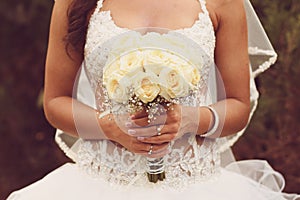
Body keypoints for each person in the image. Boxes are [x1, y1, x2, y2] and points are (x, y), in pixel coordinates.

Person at [7, 0, 299, 199]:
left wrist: (191, 119)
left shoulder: (221, 2)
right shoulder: (76, 2)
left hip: (195, 186)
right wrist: (107, 126)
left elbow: (238, 106)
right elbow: (55, 101)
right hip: (100, 184)